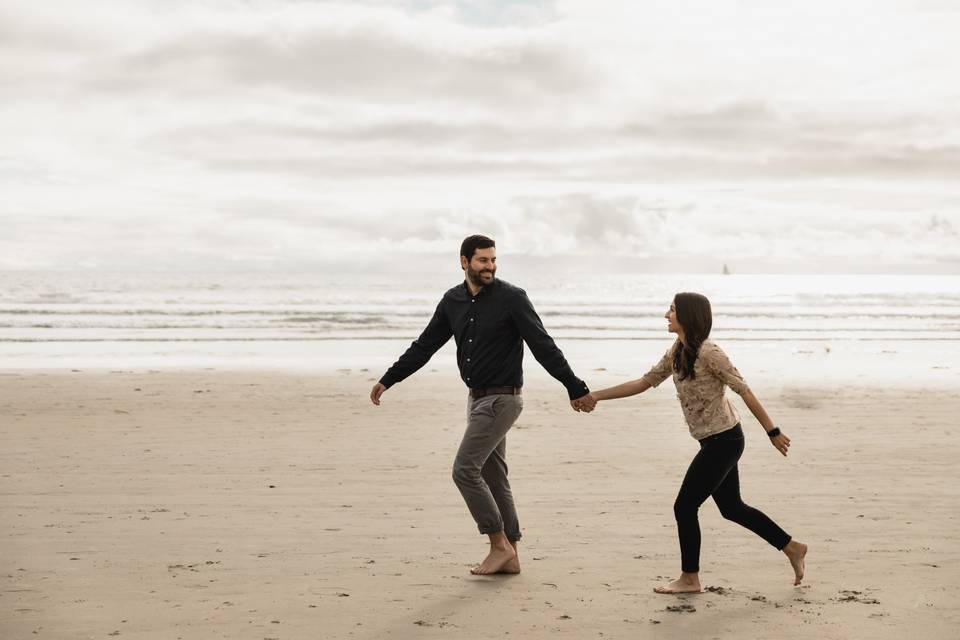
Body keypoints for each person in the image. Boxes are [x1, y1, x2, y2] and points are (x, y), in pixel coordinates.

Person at [369, 234, 594, 575]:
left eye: (492, 260)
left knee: (463, 470)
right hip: (476, 399)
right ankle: (512, 555)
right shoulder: (453, 301)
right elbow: (424, 346)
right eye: (482, 261)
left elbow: (543, 345)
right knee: (492, 475)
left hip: (503, 399)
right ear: (464, 261)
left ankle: (498, 544)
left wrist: (574, 387)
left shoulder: (512, 298)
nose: (490, 266)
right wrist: (389, 378)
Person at [579, 292, 808, 593]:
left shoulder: (710, 353)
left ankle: (690, 578)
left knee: (684, 507)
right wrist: (595, 395)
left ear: (687, 315)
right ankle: (791, 547)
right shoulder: (678, 350)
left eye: (672, 310)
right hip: (713, 441)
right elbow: (644, 382)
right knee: (732, 508)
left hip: (724, 441)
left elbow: (744, 390)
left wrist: (773, 431)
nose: (666, 315)